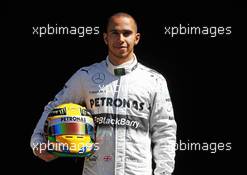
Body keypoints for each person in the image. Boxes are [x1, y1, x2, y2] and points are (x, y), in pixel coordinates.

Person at [30, 12, 177, 175]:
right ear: (106, 38)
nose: (121, 39)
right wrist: (38, 142)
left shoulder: (154, 80)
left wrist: (164, 172)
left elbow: (165, 130)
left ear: (137, 38)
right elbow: (54, 107)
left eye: (127, 33)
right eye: (115, 33)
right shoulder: (86, 76)